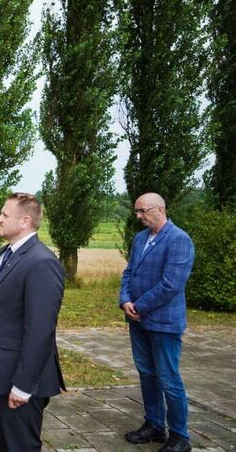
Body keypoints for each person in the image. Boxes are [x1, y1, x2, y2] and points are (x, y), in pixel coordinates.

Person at [0, 193, 65, 451]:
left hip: (19, 378)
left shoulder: (42, 262)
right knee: (4, 443)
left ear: (24, 221)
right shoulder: (6, 252)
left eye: (4, 214)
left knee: (20, 446)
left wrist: (23, 387)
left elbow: (40, 331)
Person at [119, 193, 194, 452]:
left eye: (142, 211)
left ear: (159, 209)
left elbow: (171, 285)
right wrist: (125, 300)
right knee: (147, 375)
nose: (138, 216)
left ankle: (180, 436)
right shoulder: (140, 239)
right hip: (137, 321)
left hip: (163, 323)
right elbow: (129, 271)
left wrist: (139, 306)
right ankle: (154, 425)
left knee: (168, 378)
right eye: (137, 211)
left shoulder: (179, 240)